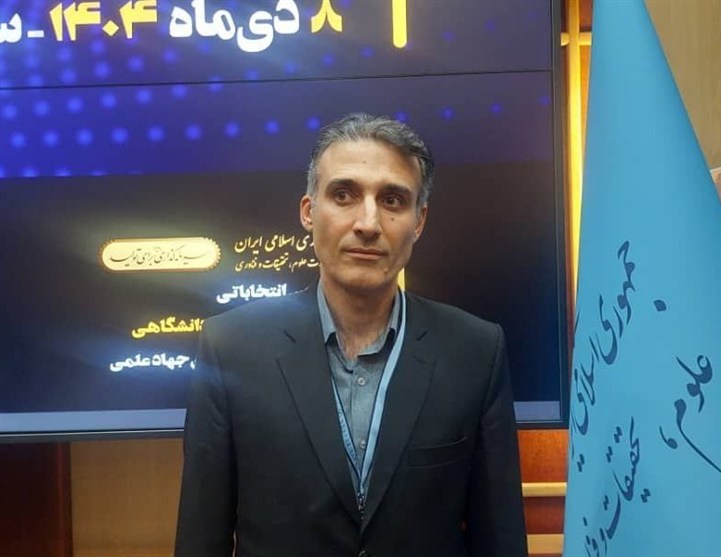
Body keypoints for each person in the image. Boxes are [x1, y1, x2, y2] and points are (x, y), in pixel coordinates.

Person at [175, 113, 528, 557]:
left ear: (419, 221)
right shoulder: (230, 347)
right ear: (309, 212)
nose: (368, 223)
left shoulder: (475, 351)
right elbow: (201, 537)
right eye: (344, 195)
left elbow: (500, 537)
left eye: (392, 200)